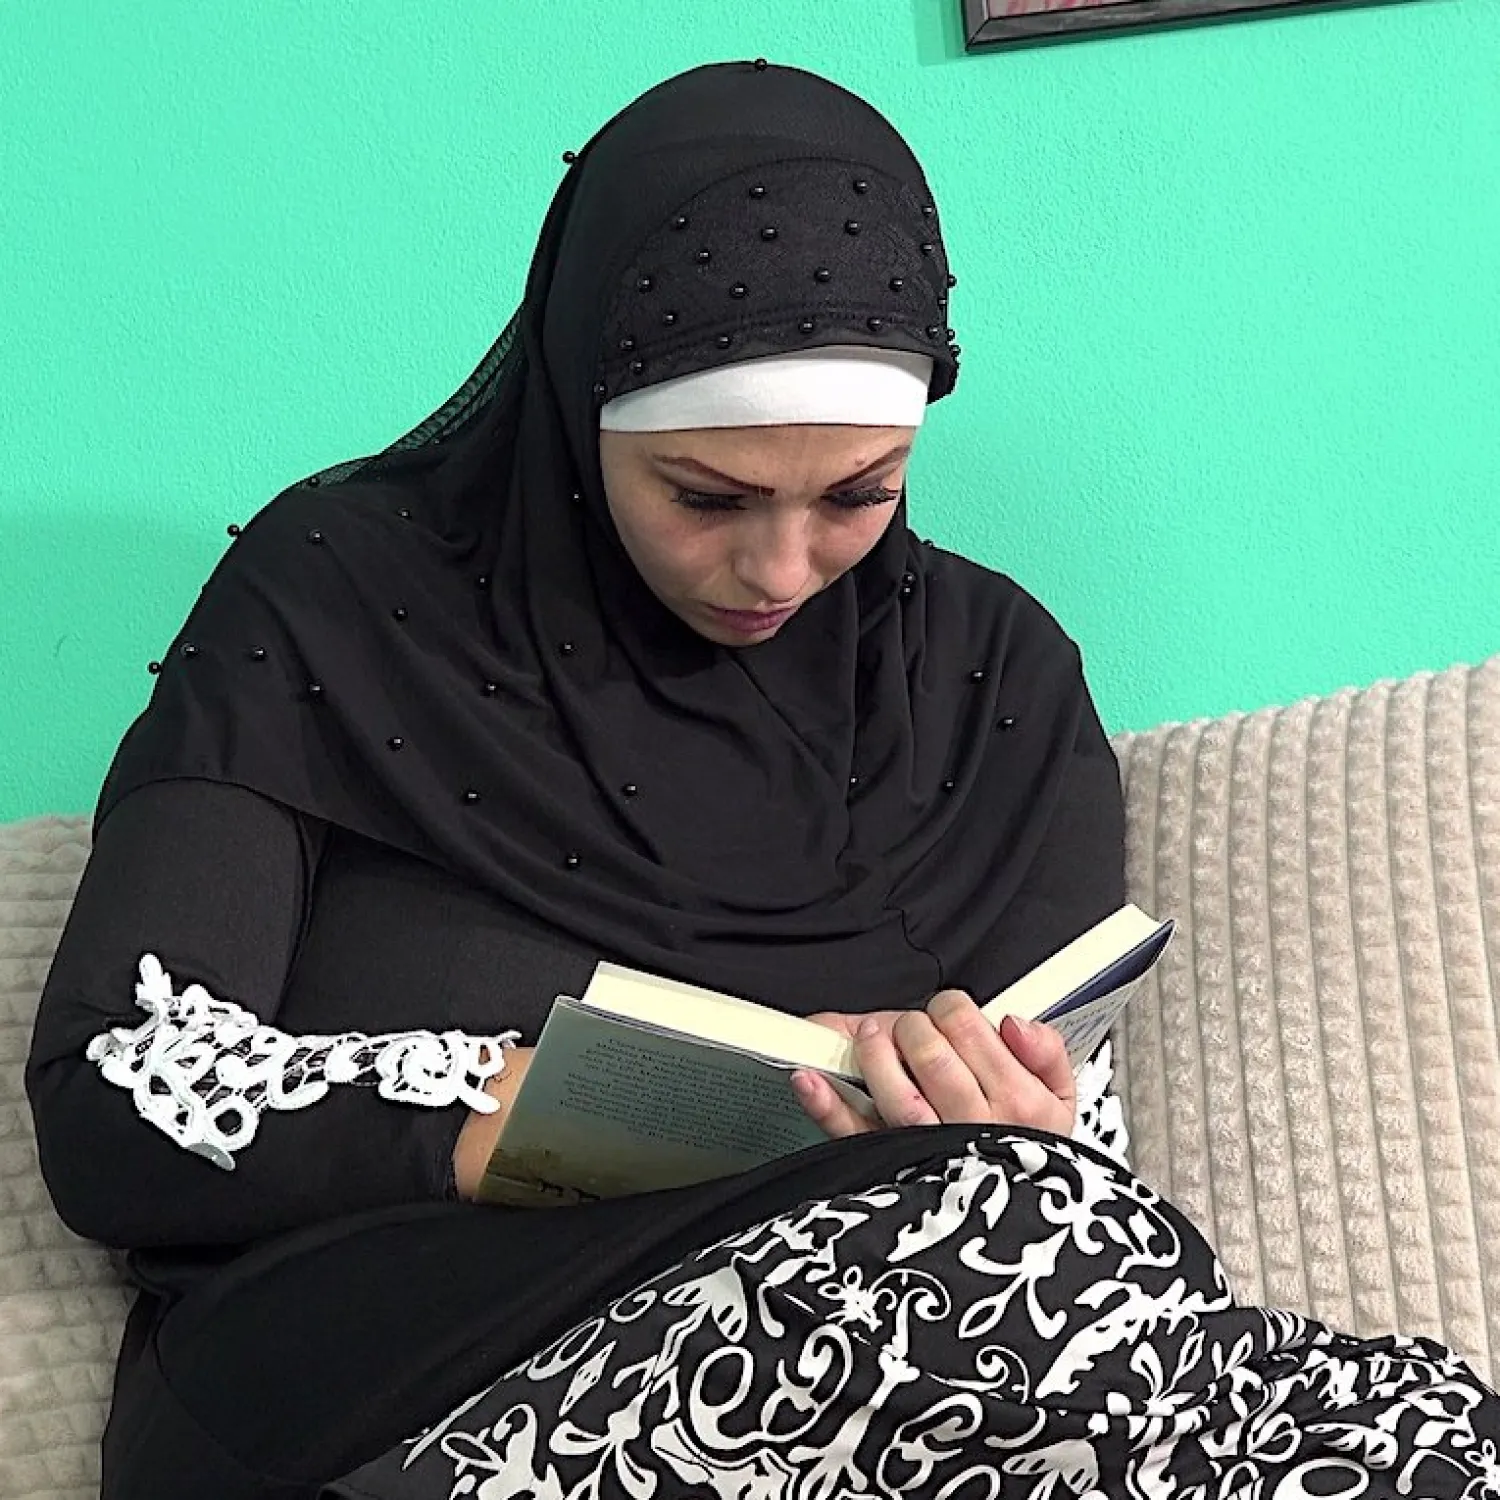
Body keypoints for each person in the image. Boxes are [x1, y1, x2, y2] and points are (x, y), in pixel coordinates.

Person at [26, 59, 1498, 1500]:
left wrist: (1019, 1125)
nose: (779, 569)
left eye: (859, 495)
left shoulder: (993, 675)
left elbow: (1067, 1175)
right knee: (1004, 1250)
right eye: (706, 497)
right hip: (405, 1367)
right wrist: (517, 1108)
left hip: (940, 1342)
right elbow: (114, 1089)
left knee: (1417, 1432)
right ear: (580, 409)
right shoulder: (337, 600)